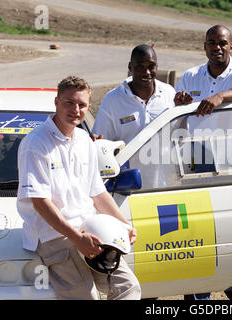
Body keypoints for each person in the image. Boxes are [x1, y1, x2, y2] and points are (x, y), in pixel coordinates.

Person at [16, 76, 141, 300]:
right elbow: (40, 202)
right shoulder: (35, 143)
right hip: (54, 237)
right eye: (69, 103)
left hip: (91, 231)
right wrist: (76, 238)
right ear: (56, 102)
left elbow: (98, 192)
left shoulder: (84, 140)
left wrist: (124, 225)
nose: (75, 109)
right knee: (85, 297)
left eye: (82, 105)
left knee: (128, 288)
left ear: (88, 108)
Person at [174, 24, 232, 301]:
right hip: (198, 164)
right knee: (199, 234)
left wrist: (220, 96)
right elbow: (176, 119)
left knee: (230, 234)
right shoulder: (189, 77)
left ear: (231, 46)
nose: (217, 47)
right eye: (212, 42)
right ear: (205, 46)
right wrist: (180, 102)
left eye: (222, 42)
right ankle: (198, 297)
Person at [92, 44, 176, 143]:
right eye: (140, 67)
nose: (147, 72)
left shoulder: (169, 93)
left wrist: (183, 107)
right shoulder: (112, 100)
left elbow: (179, 134)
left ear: (157, 67)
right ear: (130, 67)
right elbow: (101, 142)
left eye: (151, 66)